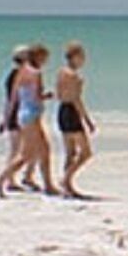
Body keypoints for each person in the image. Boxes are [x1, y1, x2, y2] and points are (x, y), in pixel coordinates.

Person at [0, 43, 58, 198]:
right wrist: (48, 96)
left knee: (42, 150)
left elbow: (13, 98)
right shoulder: (35, 73)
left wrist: (7, 117)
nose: (46, 61)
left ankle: (48, 185)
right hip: (32, 114)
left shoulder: (19, 73)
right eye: (45, 58)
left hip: (22, 114)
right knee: (28, 154)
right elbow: (36, 96)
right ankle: (0, 179)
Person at [55, 40, 97, 198]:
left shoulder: (61, 72)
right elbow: (76, 99)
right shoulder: (73, 76)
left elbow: (59, 94)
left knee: (70, 153)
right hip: (71, 112)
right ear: (74, 57)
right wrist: (87, 120)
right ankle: (65, 180)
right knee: (86, 153)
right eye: (82, 56)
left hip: (61, 110)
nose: (83, 60)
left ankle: (67, 187)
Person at [0, 45, 39, 192]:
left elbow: (8, 99)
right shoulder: (22, 74)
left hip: (15, 114)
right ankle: (16, 178)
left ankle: (18, 178)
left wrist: (4, 117)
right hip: (21, 114)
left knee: (20, 149)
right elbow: (15, 98)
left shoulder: (12, 75)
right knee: (24, 149)